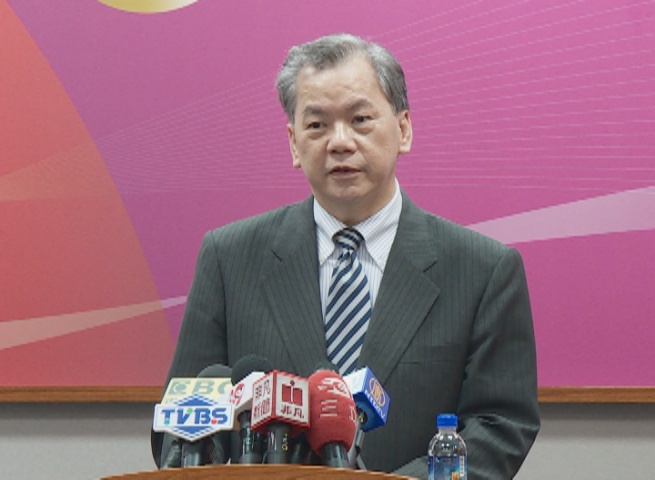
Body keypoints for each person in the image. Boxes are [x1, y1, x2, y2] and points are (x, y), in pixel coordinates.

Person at [152, 33, 540, 479]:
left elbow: (501, 427)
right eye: (317, 125)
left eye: (360, 119)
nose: (339, 142)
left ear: (403, 129)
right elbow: (175, 436)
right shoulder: (229, 259)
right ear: (294, 143)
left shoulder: (483, 271)